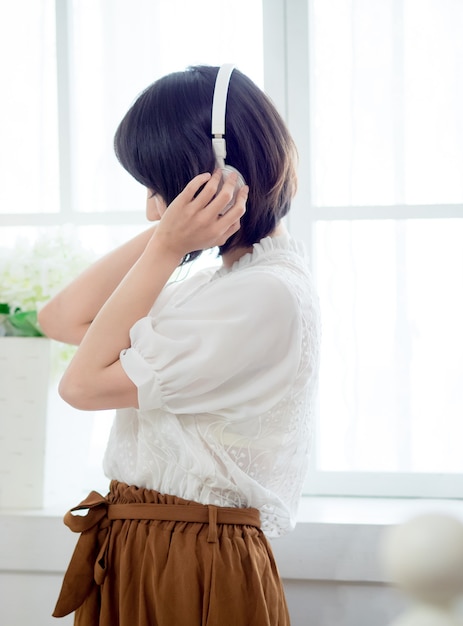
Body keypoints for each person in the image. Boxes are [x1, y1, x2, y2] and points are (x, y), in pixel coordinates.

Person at [39, 64, 320, 626]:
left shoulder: (262, 295)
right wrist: (176, 230)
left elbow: (81, 385)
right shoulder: (220, 285)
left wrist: (172, 243)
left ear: (218, 175)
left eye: (158, 187)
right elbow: (63, 316)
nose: (150, 209)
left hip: (190, 556)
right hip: (152, 545)